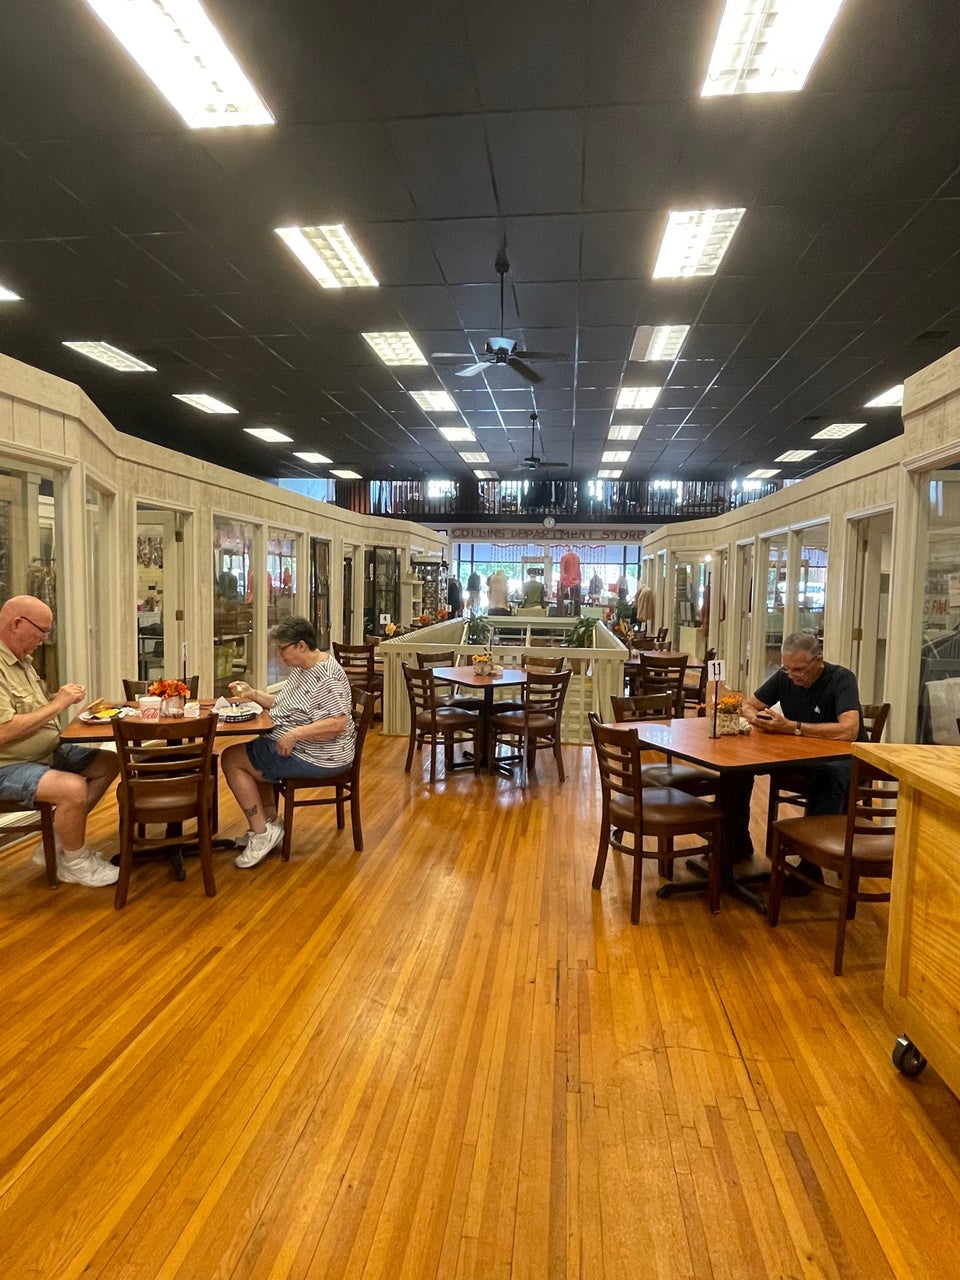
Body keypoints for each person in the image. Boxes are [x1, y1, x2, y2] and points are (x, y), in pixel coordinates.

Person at [0, 595, 120, 887]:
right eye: (41, 630)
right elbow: (4, 730)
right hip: (9, 765)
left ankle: (56, 842)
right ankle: (76, 863)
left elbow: (31, 710)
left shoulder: (22, 662)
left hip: (46, 753)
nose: (44, 638)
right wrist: (59, 704)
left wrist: (60, 698)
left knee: (109, 763)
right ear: (16, 624)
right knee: (72, 788)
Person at [222, 616, 356, 869]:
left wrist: (296, 734)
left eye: (283, 649)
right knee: (253, 755)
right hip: (303, 746)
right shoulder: (303, 669)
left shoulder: (326, 676)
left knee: (232, 759)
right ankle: (269, 823)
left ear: (301, 646)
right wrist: (253, 694)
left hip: (321, 755)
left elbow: (338, 723)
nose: (280, 655)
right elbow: (285, 704)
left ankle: (262, 833)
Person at [743, 631, 865, 891]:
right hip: (802, 755)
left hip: (843, 758)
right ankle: (735, 844)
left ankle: (811, 865)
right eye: (787, 669)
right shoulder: (785, 676)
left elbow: (849, 730)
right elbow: (748, 705)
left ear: (818, 661)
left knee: (828, 774)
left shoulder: (841, 679)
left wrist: (793, 727)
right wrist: (758, 719)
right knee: (742, 765)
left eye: (798, 670)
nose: (792, 676)